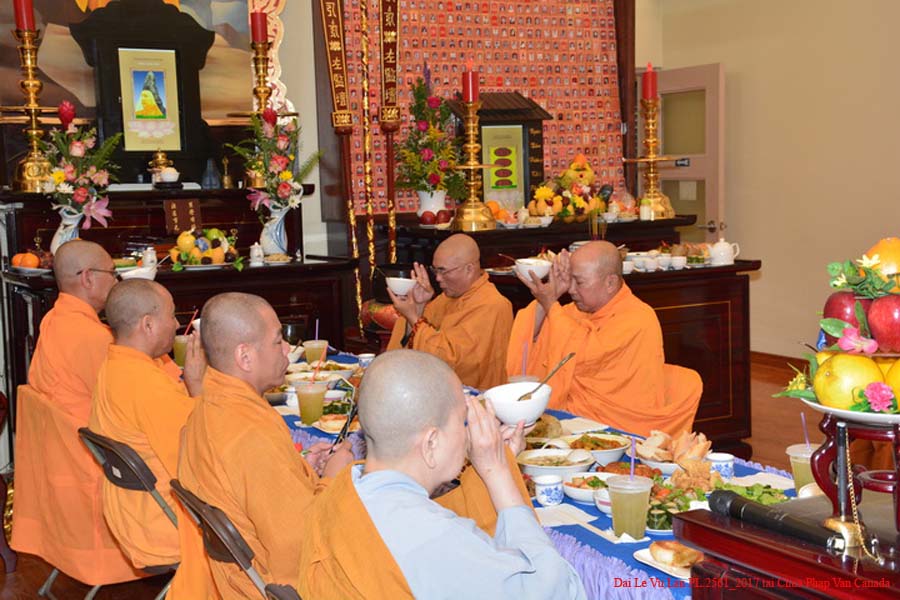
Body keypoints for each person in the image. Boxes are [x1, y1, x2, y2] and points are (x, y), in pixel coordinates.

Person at [298, 350, 586, 599]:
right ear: (431, 442)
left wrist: (497, 459)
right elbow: (559, 589)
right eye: (462, 422)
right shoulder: (431, 539)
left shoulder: (340, 490)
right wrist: (497, 472)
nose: (467, 435)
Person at [174, 292, 353, 598]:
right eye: (277, 341)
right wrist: (333, 479)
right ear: (245, 357)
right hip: (281, 586)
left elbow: (252, 484)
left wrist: (301, 466)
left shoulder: (211, 404)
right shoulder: (248, 434)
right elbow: (302, 542)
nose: (286, 349)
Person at [11, 240, 143, 585]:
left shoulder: (54, 321)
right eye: (112, 274)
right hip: (100, 469)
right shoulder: (89, 336)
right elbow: (135, 404)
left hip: (62, 466)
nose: (116, 282)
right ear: (88, 278)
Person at [88, 279, 212, 596]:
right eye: (171, 315)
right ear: (147, 324)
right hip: (163, 523)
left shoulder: (114, 365)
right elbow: (199, 454)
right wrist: (198, 389)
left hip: (130, 513)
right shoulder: (144, 383)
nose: (177, 324)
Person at [506, 241, 701, 437]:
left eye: (579, 282)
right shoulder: (577, 311)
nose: (571, 289)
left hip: (618, 428)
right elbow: (534, 335)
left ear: (610, 283)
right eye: (570, 280)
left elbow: (581, 355)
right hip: (572, 421)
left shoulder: (637, 317)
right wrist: (549, 299)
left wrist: (551, 305)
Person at [387, 233, 513, 389]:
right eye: (435, 271)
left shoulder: (492, 305)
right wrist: (418, 308)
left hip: (476, 396)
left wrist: (413, 318)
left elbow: (453, 361)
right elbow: (409, 349)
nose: (438, 278)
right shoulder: (446, 298)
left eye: (443, 271)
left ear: (469, 269)